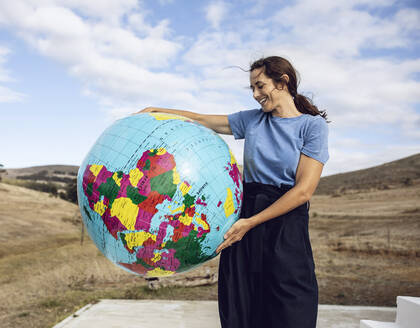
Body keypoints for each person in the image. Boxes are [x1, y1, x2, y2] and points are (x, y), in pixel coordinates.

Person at [139, 55, 329, 328]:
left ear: (283, 82)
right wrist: (159, 110)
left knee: (290, 307)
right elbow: (203, 119)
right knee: (241, 305)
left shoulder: (312, 126)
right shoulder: (253, 120)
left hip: (284, 222)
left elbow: (303, 191)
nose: (255, 94)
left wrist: (251, 223)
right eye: (252, 88)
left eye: (260, 86)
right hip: (244, 213)